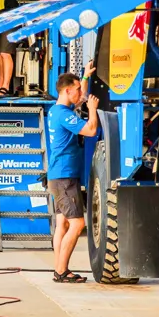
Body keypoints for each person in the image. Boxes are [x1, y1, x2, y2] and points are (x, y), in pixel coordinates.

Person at [47, 62, 99, 283]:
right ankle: (61, 271)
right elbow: (90, 130)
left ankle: (59, 267)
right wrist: (93, 110)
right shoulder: (64, 116)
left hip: (57, 175)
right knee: (77, 224)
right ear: (67, 91)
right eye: (77, 89)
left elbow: (78, 96)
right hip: (65, 177)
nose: (81, 93)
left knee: (63, 223)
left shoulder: (56, 110)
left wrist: (85, 76)